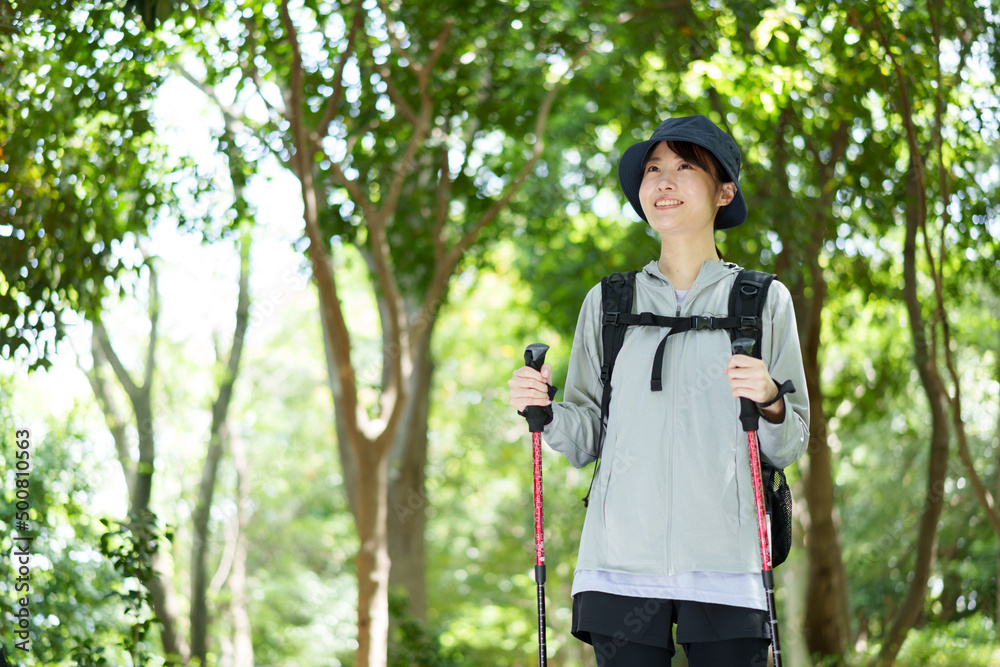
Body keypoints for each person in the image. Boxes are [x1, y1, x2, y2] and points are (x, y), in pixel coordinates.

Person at [508, 114, 810, 666]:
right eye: (652, 169)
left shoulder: (764, 301)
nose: (663, 181)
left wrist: (769, 397)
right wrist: (545, 410)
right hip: (618, 565)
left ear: (724, 192)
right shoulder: (609, 303)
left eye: (684, 167)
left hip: (728, 565)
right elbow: (584, 438)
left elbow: (787, 444)